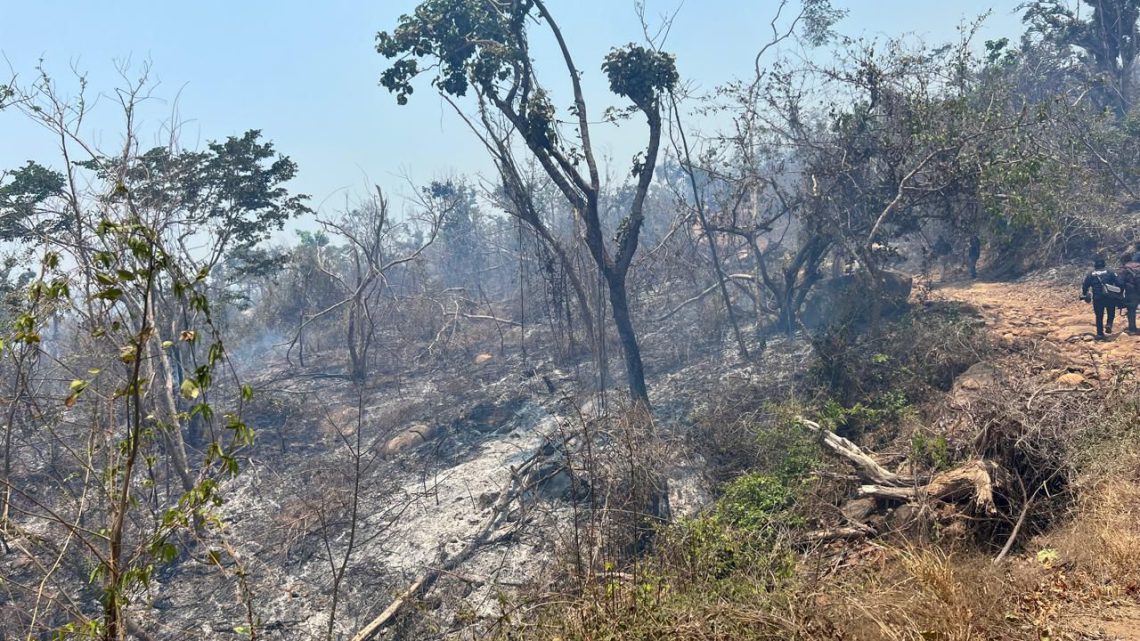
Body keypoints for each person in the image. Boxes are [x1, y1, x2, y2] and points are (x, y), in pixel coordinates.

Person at [1081, 257, 1120, 339]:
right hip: (1109, 296)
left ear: (1095, 264)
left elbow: (1085, 285)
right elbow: (1119, 282)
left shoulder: (1091, 274)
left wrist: (1084, 294)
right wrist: (1120, 291)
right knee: (1111, 312)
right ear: (1104, 264)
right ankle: (1109, 324)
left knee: (1099, 315)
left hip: (1097, 297)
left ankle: (1100, 333)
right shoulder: (1110, 271)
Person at [1119, 253, 1140, 334]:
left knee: (1131, 310)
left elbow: (1120, 282)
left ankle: (1132, 329)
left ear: (1123, 260)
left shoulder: (1125, 268)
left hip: (1132, 292)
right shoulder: (1139, 265)